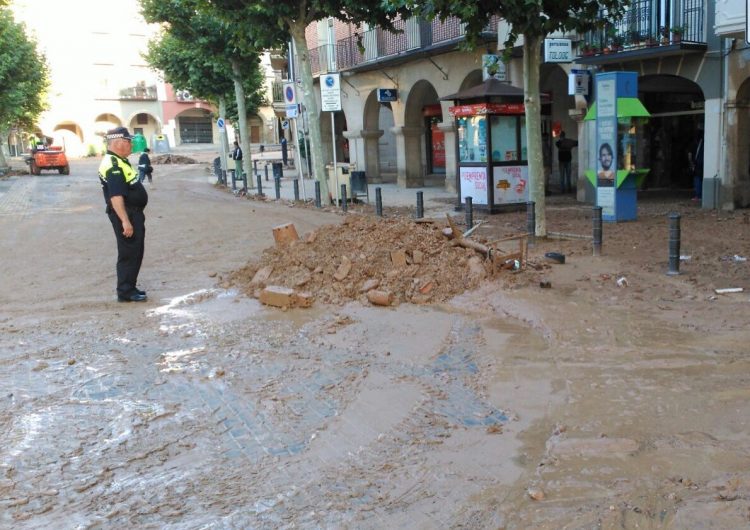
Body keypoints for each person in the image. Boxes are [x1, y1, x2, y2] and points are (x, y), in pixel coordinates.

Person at [98, 127, 148, 302]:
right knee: (129, 253)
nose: (131, 144)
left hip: (132, 213)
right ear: (118, 143)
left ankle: (130, 287)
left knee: (135, 251)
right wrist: (125, 221)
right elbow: (116, 196)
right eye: (129, 141)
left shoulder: (119, 161)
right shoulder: (113, 165)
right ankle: (125, 291)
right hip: (126, 215)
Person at [689, 130, 704, 201]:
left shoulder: (696, 143)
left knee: (697, 179)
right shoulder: (702, 143)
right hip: (700, 163)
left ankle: (698, 195)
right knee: (699, 179)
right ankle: (699, 195)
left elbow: (690, 154)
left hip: (698, 163)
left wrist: (691, 163)